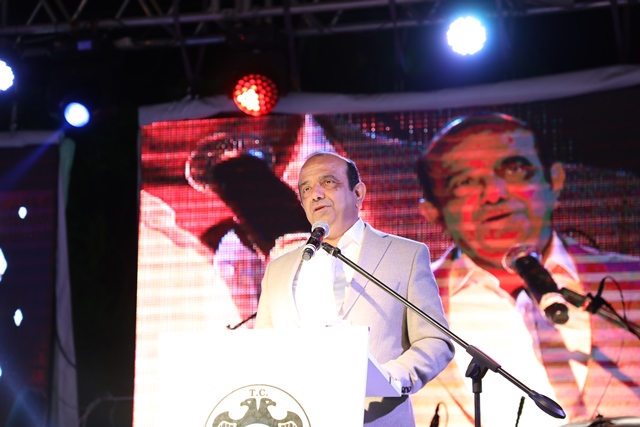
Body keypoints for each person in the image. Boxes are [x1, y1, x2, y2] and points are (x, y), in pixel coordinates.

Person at [414, 112, 640, 427]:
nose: (494, 194)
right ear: (433, 212)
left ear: (554, 180)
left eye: (515, 169)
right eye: (464, 182)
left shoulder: (632, 282)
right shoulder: (405, 301)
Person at [255, 151, 455, 427]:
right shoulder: (278, 270)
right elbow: (263, 350)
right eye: (306, 189)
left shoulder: (405, 255)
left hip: (377, 418)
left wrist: (392, 377)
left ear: (358, 193)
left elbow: (436, 341)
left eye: (328, 182)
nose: (316, 195)